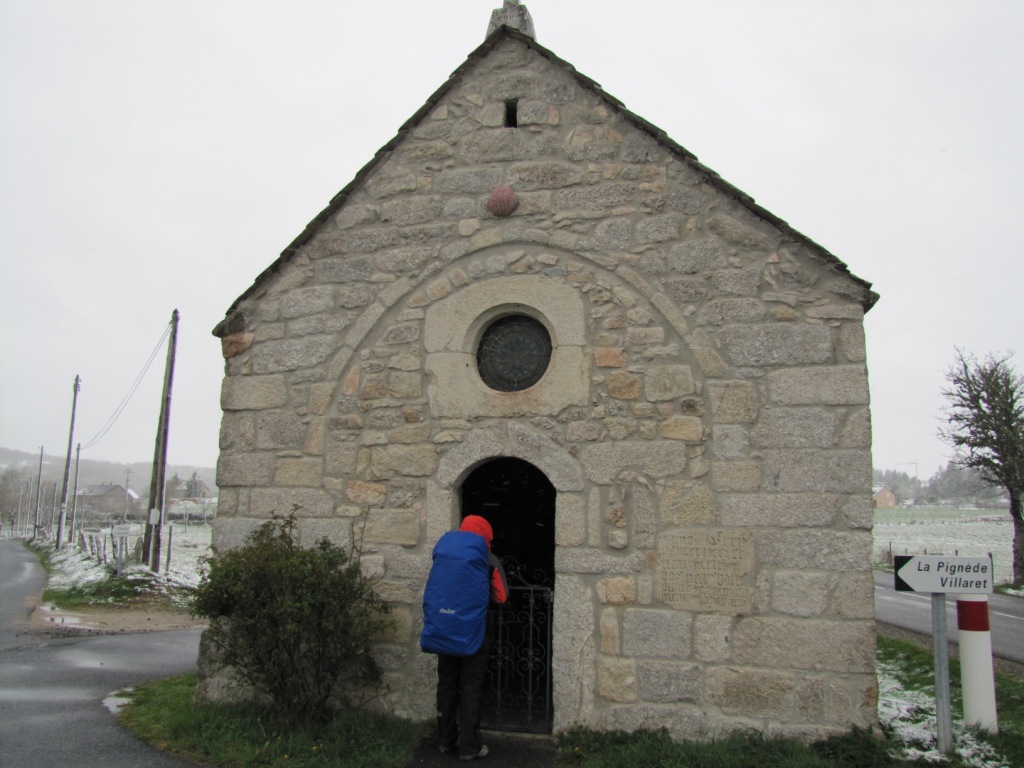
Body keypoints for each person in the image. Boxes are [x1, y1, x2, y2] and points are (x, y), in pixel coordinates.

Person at [434, 515, 508, 761]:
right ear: (487, 537)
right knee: (470, 685)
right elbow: (501, 597)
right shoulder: (488, 559)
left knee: (447, 682)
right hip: (474, 631)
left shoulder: (445, 554)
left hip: (445, 627)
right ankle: (469, 746)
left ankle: (445, 739)